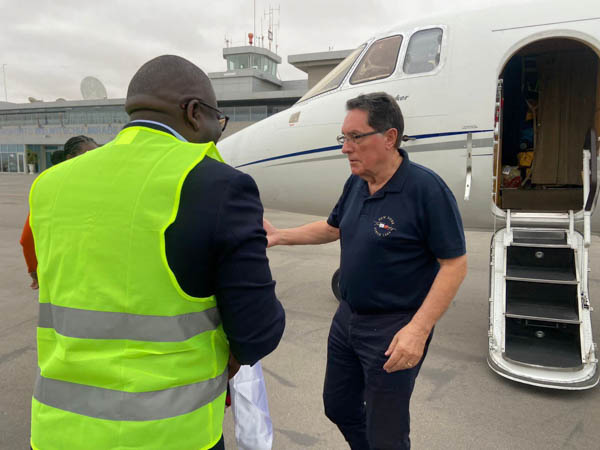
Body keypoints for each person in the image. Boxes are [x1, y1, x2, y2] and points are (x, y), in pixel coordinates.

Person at [28, 55, 285, 450]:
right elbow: (257, 330)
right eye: (218, 121)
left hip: (58, 431)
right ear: (193, 112)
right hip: (169, 434)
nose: (217, 134)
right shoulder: (217, 185)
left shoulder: (50, 184)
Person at [264, 92, 467, 449]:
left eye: (356, 137)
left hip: (394, 329)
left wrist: (418, 330)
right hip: (347, 320)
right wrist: (280, 236)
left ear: (389, 138)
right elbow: (332, 228)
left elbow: (454, 264)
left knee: (387, 433)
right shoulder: (357, 182)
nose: (346, 148)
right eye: (344, 138)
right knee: (339, 407)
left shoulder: (426, 189)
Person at [20, 135, 99, 290]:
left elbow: (28, 238)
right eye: (89, 156)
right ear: (69, 158)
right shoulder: (101, 189)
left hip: (59, 275)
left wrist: (34, 270)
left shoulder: (48, 186)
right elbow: (28, 238)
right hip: (87, 277)